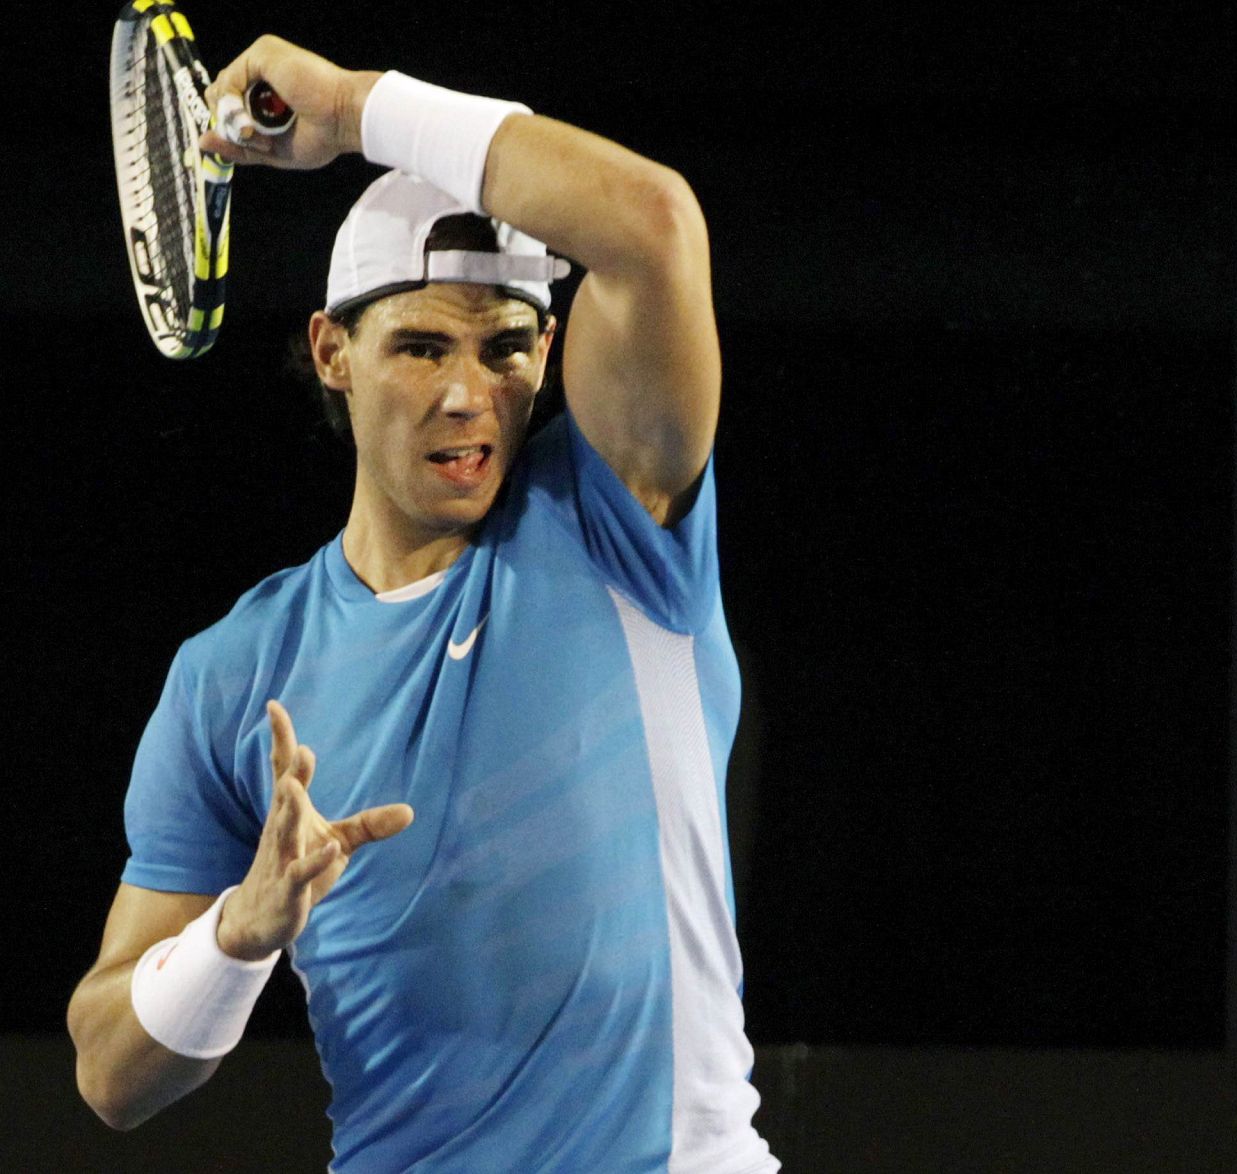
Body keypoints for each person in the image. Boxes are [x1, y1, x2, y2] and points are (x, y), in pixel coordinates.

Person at [67, 34, 779, 1173]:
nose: (467, 393)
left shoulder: (620, 523)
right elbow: (108, 1071)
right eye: (420, 345)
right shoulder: (234, 671)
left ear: (549, 350)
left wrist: (354, 111)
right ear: (331, 351)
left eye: (505, 347)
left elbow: (653, 222)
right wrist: (234, 936)